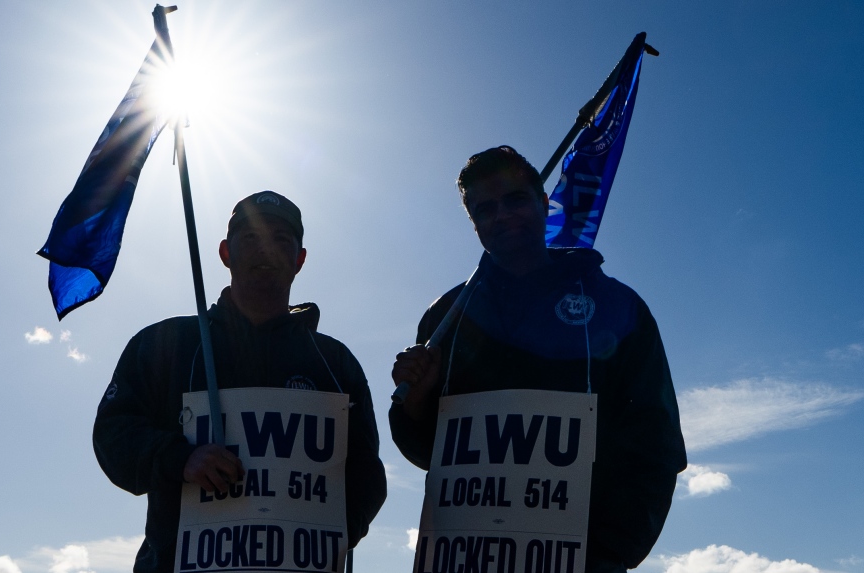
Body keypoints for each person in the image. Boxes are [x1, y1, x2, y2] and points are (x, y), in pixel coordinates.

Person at [389, 146, 686, 573]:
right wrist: (414, 403)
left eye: (515, 200)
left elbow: (656, 447)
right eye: (485, 209)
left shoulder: (618, 307)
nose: (503, 215)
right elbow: (426, 452)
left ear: (545, 202)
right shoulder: (446, 316)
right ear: (473, 223)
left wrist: (606, 554)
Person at [94, 191, 387, 573]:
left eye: (281, 239)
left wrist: (328, 531)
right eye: (250, 237)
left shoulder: (335, 362)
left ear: (299, 260)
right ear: (225, 253)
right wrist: (179, 457)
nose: (265, 248)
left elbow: (366, 473)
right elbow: (113, 435)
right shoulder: (163, 344)